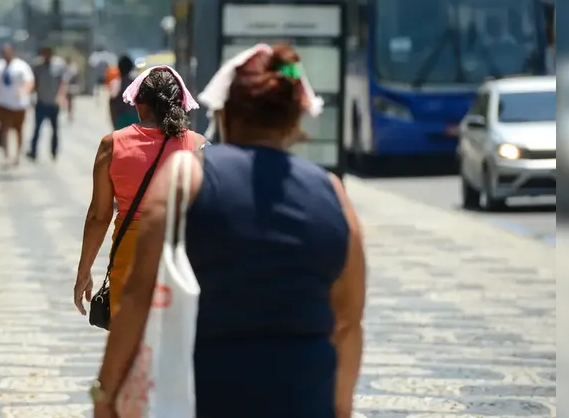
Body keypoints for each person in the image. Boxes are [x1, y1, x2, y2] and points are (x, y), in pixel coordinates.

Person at [90, 44, 366, 418]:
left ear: (226, 112)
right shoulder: (334, 194)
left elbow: (138, 297)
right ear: (293, 120)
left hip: (207, 395)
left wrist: (106, 393)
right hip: (303, 397)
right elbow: (348, 323)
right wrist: (341, 408)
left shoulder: (185, 178)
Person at [73, 65, 207, 321]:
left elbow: (98, 216)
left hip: (130, 257)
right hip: (181, 257)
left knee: (130, 345)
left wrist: (84, 271)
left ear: (139, 104)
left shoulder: (111, 145)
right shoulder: (199, 146)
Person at [0, 43, 35, 168]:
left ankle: (18, 155)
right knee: (4, 130)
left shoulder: (21, 66)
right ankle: (6, 155)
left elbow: (29, 81)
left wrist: (24, 91)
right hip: (3, 103)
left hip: (19, 105)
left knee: (19, 130)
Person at [27, 46, 68, 162]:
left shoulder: (59, 65)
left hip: (53, 103)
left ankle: (54, 150)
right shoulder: (38, 67)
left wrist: (60, 96)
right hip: (41, 102)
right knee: (37, 128)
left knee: (55, 129)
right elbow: (34, 82)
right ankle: (33, 151)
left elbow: (63, 83)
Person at [107, 55, 141, 130]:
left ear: (119, 68)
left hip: (120, 119)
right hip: (134, 119)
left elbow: (112, 101)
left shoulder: (115, 83)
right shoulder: (135, 83)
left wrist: (113, 119)